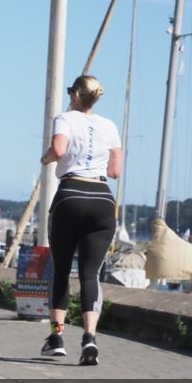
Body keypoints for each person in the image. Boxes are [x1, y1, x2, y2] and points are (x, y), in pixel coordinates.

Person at [39, 75, 122, 366]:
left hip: (71, 194)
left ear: (74, 94)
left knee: (61, 270)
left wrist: (47, 158)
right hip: (102, 198)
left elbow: (59, 150)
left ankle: (57, 338)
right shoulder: (110, 126)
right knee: (90, 274)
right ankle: (89, 338)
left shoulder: (65, 118)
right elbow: (115, 171)